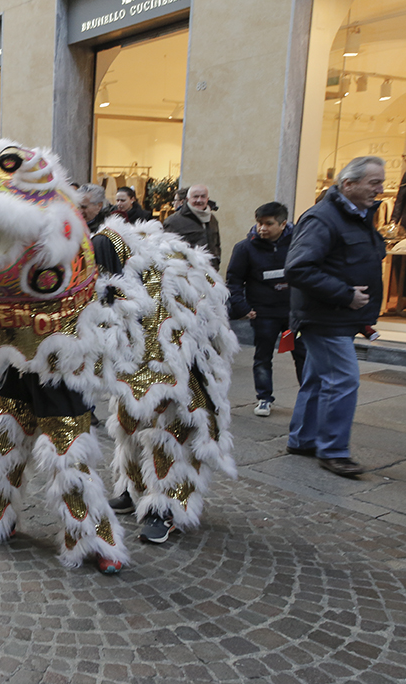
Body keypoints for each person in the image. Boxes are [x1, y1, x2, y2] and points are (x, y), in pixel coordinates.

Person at [285, 155, 386, 478]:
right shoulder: (323, 218)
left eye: (381, 182)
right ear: (348, 184)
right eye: (374, 183)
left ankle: (302, 440)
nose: (380, 189)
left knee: (318, 378)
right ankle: (334, 450)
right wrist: (346, 294)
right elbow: (298, 268)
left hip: (338, 317)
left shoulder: (357, 216)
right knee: (342, 380)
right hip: (326, 317)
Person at [226, 201, 307, 417]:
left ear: (282, 224)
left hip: (293, 313)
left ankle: (308, 397)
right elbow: (234, 281)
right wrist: (243, 307)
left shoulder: (299, 244)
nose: (262, 228)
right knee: (263, 357)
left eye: (268, 224)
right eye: (260, 223)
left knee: (302, 355)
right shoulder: (244, 248)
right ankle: (264, 398)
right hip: (263, 314)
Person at [164, 184, 221, 267]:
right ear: (187, 199)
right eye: (195, 196)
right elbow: (166, 250)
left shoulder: (212, 219)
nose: (199, 200)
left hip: (210, 273)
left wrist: (216, 261)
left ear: (207, 199)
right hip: (186, 274)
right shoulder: (173, 221)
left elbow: (216, 245)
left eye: (203, 196)